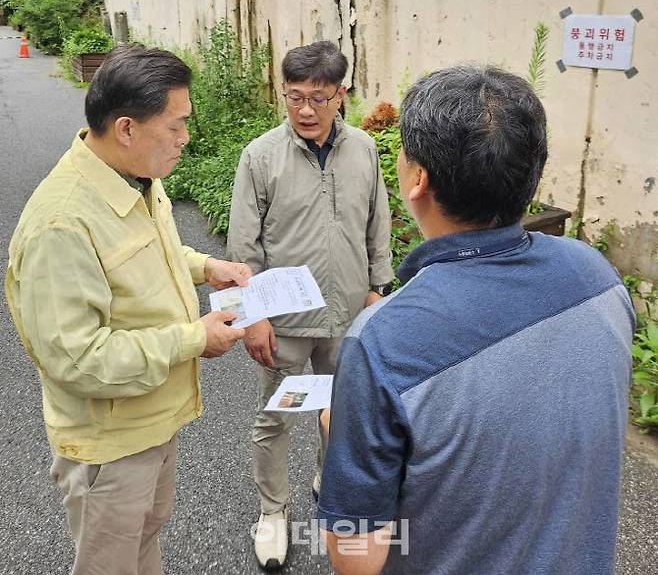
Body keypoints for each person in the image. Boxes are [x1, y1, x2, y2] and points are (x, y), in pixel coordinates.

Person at [318, 65, 635, 575]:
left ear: (418, 179)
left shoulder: (384, 343)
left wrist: (341, 433)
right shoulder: (597, 275)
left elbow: (356, 557)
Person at [5, 45, 251, 575]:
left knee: (144, 543)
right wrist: (193, 339)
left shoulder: (133, 177)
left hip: (151, 420)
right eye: (176, 125)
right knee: (110, 563)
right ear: (126, 128)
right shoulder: (62, 224)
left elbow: (150, 253)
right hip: (109, 443)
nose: (186, 138)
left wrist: (208, 266)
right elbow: (77, 357)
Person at [227, 40, 394, 569]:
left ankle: (330, 483)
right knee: (276, 417)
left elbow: (378, 225)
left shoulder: (364, 150)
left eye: (317, 98)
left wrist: (377, 289)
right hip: (287, 324)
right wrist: (252, 318)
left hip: (347, 316)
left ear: (340, 95)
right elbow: (243, 249)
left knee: (340, 416)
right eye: (294, 96)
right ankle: (272, 513)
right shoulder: (260, 156)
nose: (303, 110)